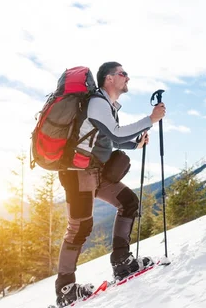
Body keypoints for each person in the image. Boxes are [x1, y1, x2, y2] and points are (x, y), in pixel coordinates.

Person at [54, 61, 166, 307]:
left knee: (128, 202)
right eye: (122, 73)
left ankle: (122, 262)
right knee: (80, 227)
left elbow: (108, 139)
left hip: (94, 171)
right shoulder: (96, 102)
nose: (127, 77)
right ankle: (66, 290)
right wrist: (150, 119)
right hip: (77, 172)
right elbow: (115, 133)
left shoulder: (107, 106)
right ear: (109, 79)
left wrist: (135, 144)